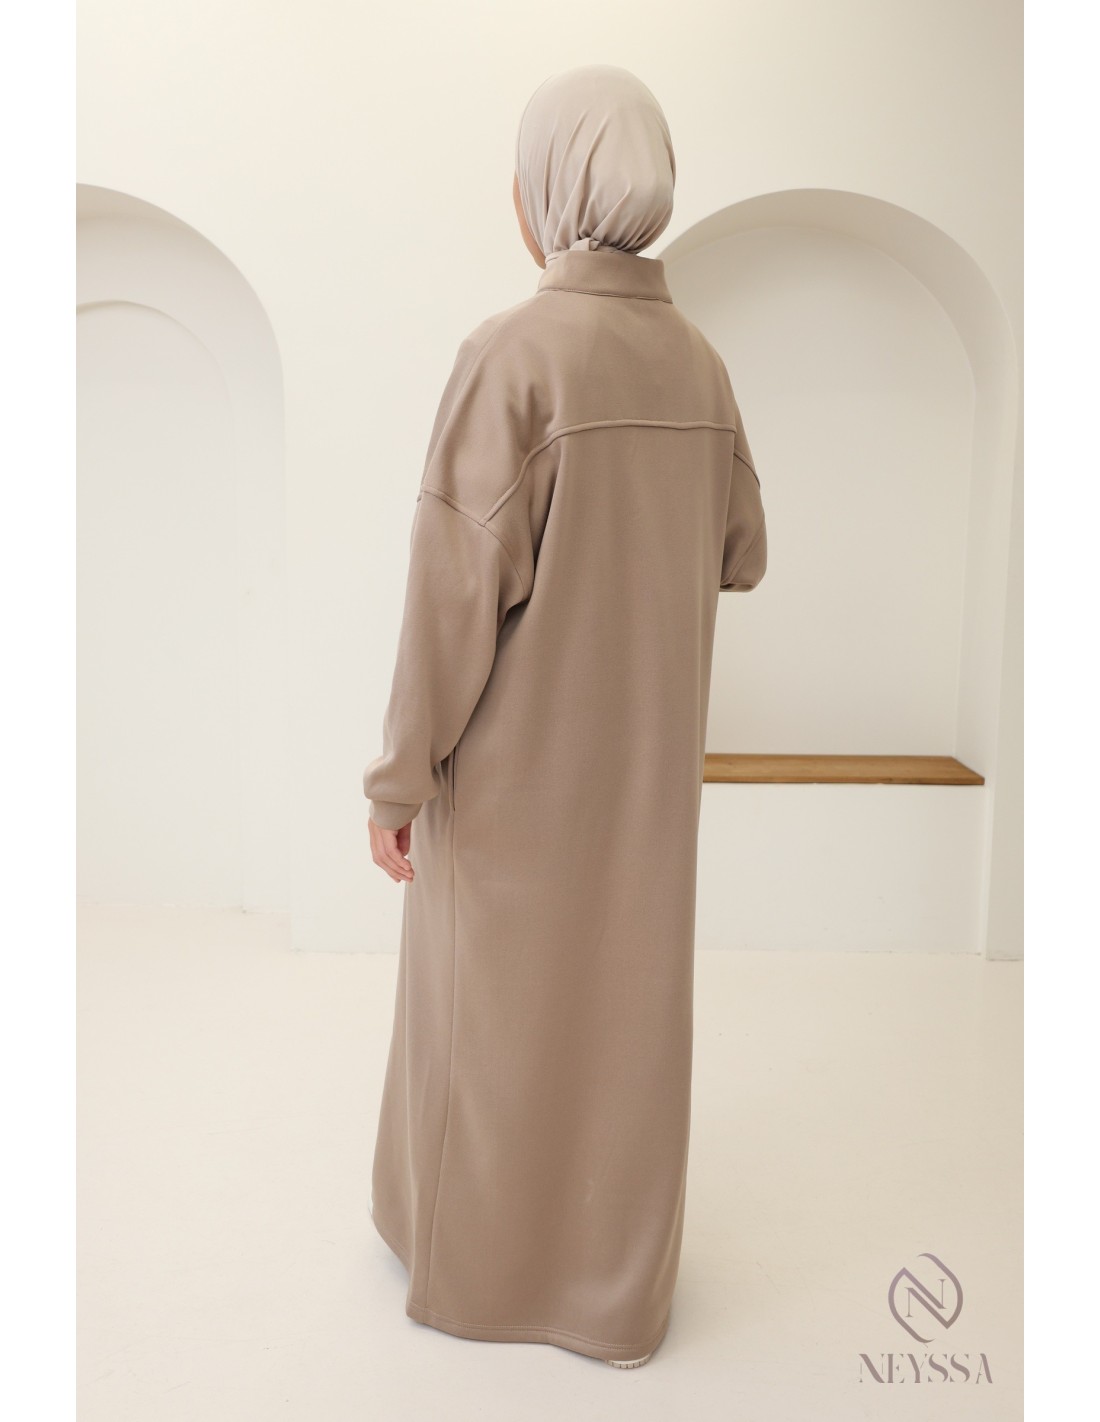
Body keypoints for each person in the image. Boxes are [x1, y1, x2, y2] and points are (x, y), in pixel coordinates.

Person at [362, 63, 767, 1367]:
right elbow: (744, 550)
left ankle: (483, 1275)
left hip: (517, 775)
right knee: (620, 1030)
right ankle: (609, 1290)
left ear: (552, 188)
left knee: (489, 1024)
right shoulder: (701, 364)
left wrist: (398, 780)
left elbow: (448, 596)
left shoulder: (513, 355)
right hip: (648, 782)